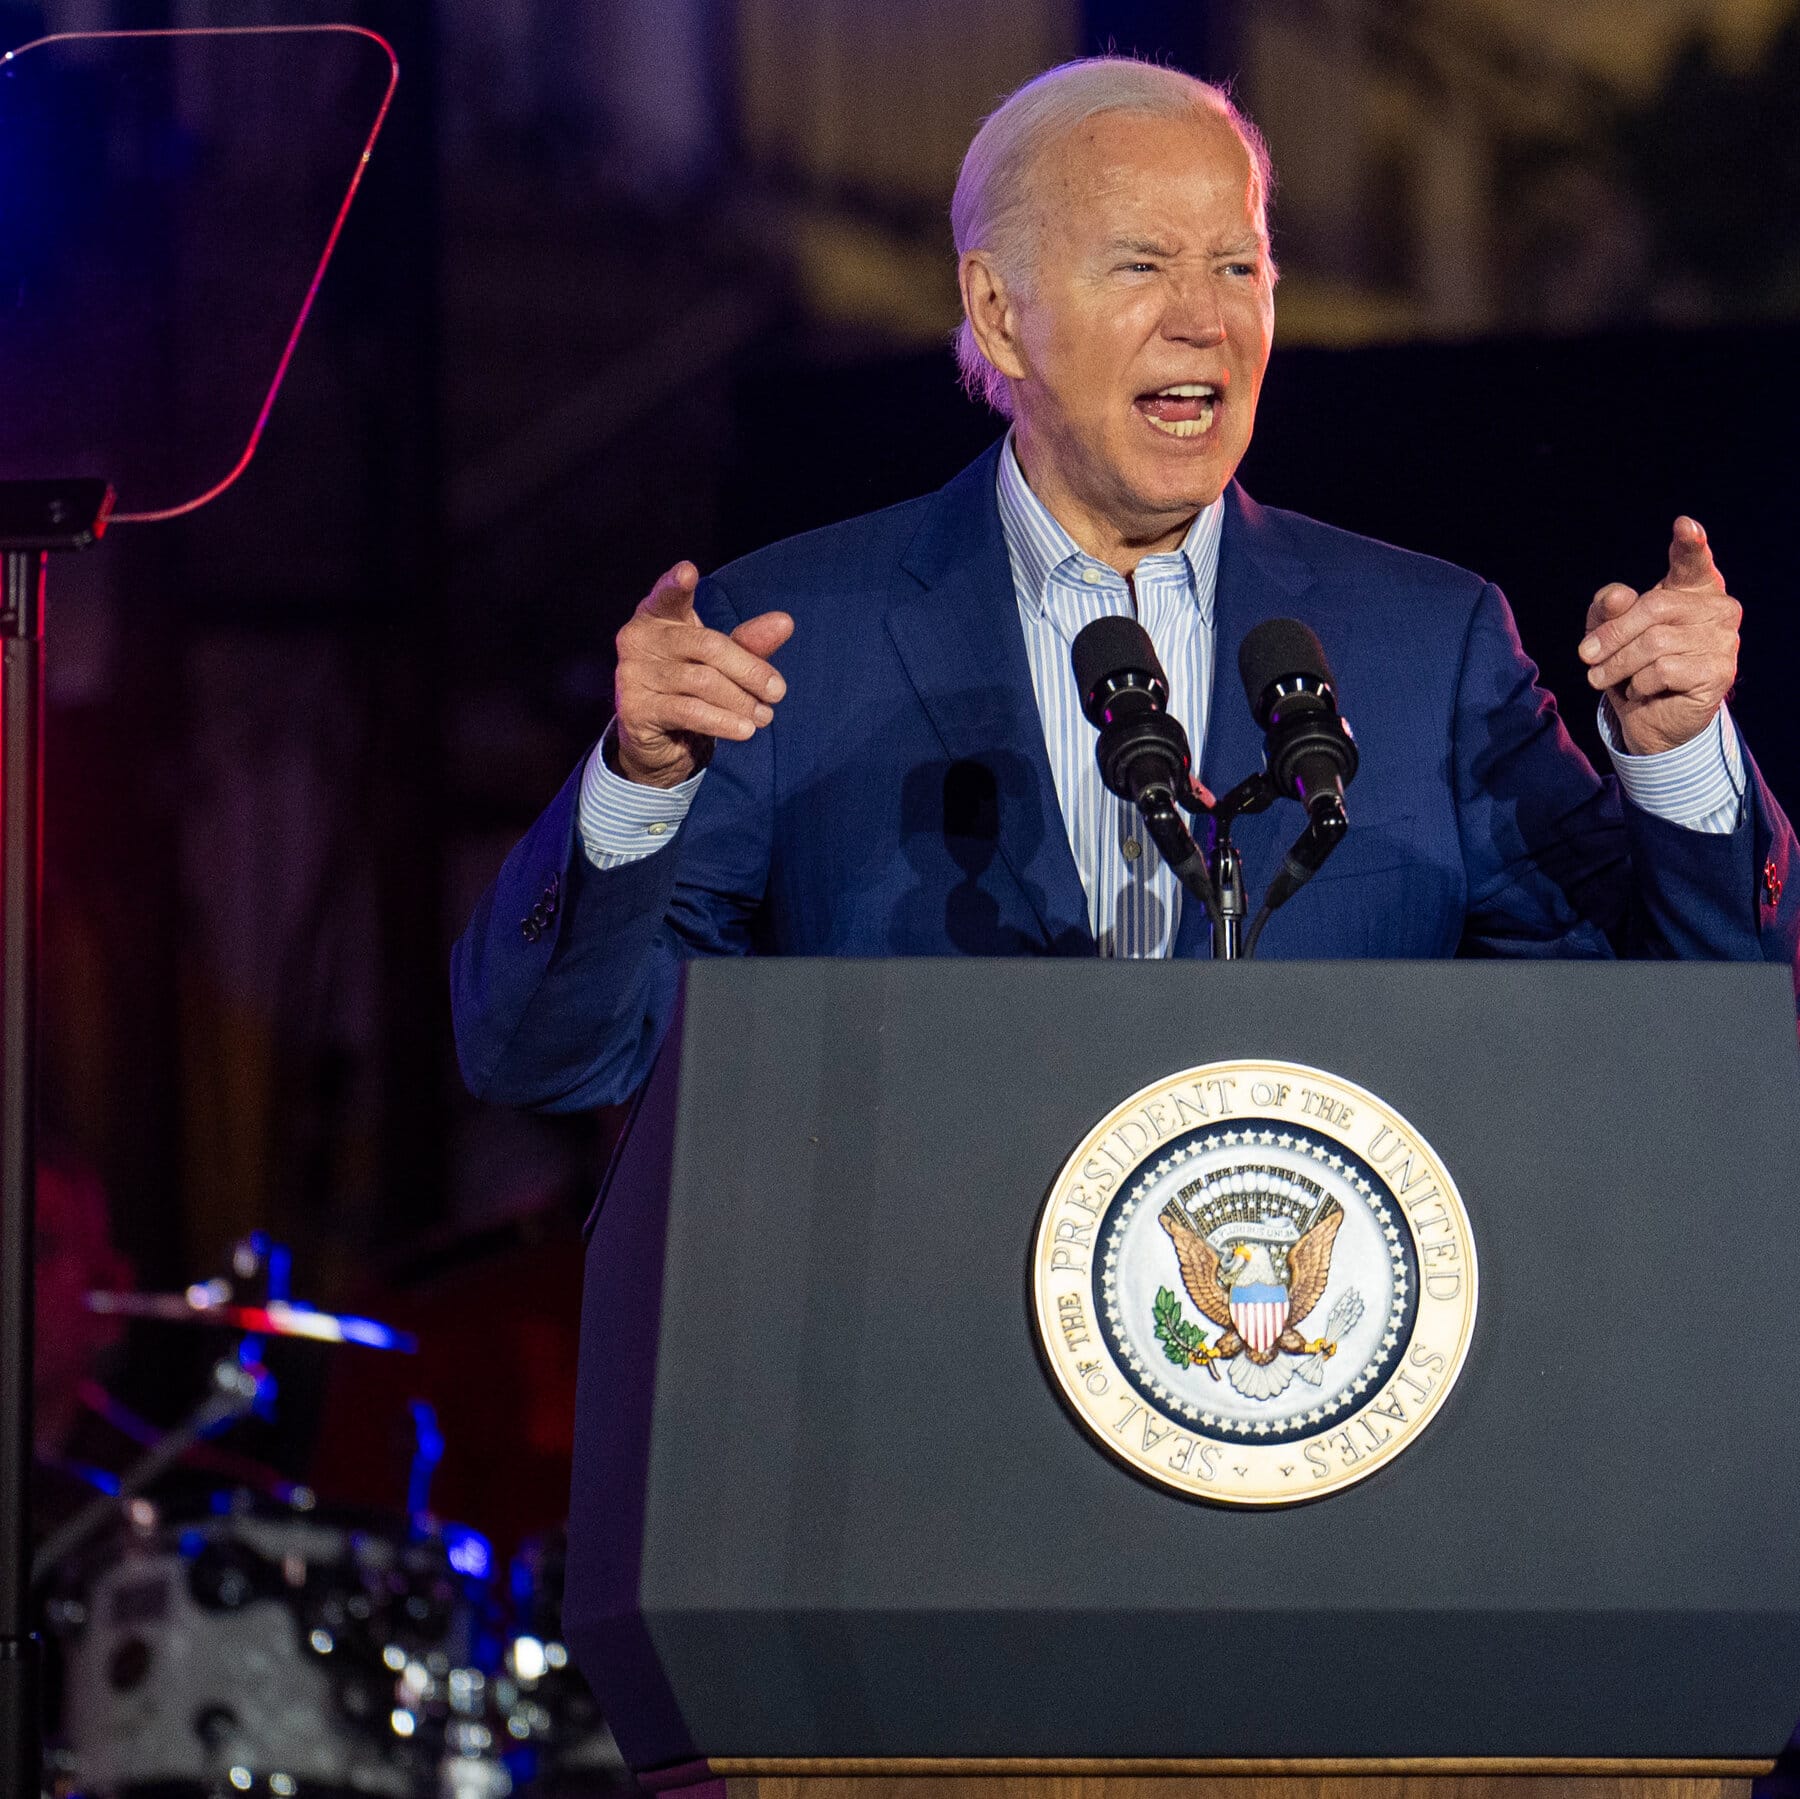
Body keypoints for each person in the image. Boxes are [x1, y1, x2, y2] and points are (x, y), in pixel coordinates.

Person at [452, 57, 1796, 1115]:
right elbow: (551, 1059)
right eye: (1144, 264)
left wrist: (1679, 762)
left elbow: (1693, 1035)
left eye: (1238, 266)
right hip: (926, 1404)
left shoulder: (1425, 643)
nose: (1208, 319)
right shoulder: (801, 638)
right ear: (997, 312)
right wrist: (636, 789)